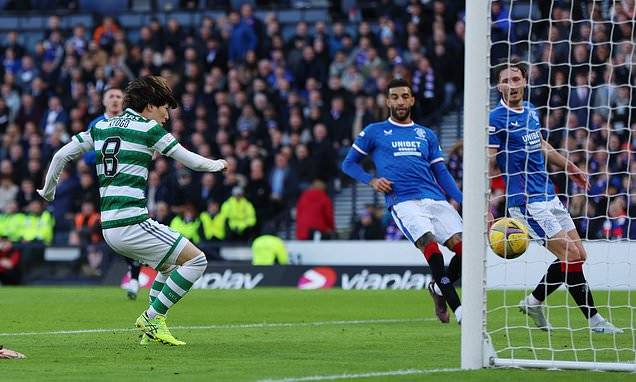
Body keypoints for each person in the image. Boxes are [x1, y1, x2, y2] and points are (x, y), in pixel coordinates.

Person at [37, 75, 228, 345]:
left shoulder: (101, 126)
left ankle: (148, 334)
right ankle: (153, 317)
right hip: (133, 223)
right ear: (150, 105)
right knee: (197, 261)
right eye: (164, 109)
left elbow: (60, 155)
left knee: (168, 267)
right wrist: (217, 164)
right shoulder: (147, 130)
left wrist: (48, 191)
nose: (166, 117)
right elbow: (191, 161)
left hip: (110, 226)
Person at [489, 59, 621, 333]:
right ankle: (595, 321)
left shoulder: (531, 111)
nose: (512, 85)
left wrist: (570, 166)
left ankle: (534, 300)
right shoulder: (496, 119)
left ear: (525, 81)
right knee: (570, 254)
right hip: (526, 201)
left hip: (549, 195)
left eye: (516, 79)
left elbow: (543, 145)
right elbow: (488, 163)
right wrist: (486, 203)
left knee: (579, 255)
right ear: (498, 85)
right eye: (506, 80)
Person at [341, 78, 464, 324]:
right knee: (432, 249)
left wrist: (462, 200)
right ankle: (461, 311)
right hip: (404, 202)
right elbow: (348, 163)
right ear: (387, 101)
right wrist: (372, 181)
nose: (400, 101)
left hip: (435, 199)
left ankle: (438, 289)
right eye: (394, 97)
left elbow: (441, 172)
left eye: (404, 96)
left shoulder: (426, 134)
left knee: (465, 251)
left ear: (412, 100)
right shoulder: (374, 131)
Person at [87, 87, 141, 299]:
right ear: (103, 101)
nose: (116, 100)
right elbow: (86, 156)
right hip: (104, 187)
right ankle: (102, 266)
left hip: (129, 185)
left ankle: (135, 276)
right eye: (112, 96)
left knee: (132, 226)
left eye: (119, 97)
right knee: (109, 230)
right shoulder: (96, 124)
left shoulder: (131, 122)